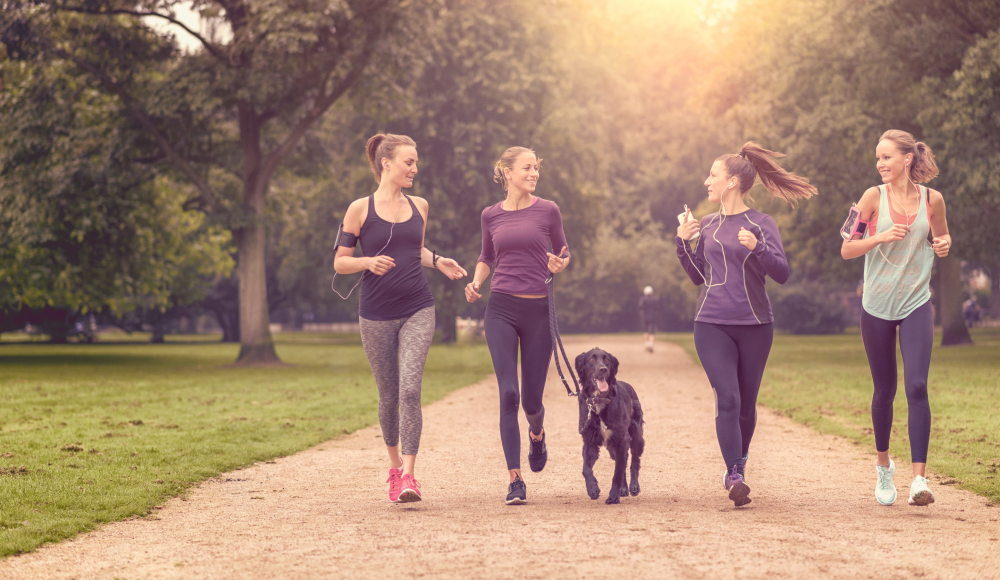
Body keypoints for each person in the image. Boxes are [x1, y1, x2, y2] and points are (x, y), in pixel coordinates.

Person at [675, 141, 817, 507]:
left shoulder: (761, 223)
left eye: (713, 174)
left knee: (747, 408)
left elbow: (782, 273)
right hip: (711, 323)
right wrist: (682, 243)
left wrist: (758, 247)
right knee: (728, 398)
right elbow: (698, 278)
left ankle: (738, 465)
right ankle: (734, 476)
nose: (707, 181)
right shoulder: (707, 224)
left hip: (755, 325)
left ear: (733, 182)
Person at [334, 133, 467, 503]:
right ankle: (394, 468)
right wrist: (367, 261)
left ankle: (410, 476)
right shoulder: (359, 209)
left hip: (417, 307)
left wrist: (438, 261)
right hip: (375, 314)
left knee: (410, 389)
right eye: (409, 162)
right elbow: (340, 262)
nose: (414, 168)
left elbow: (414, 249)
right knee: (388, 395)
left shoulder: (420, 206)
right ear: (386, 163)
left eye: (416, 162)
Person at [841, 129, 951, 507]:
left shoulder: (933, 200)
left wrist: (944, 244)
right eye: (878, 158)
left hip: (917, 301)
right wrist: (880, 236)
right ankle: (884, 465)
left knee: (917, 385)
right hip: (877, 305)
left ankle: (919, 480)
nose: (880, 164)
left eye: (886, 157)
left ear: (907, 159)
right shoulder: (872, 197)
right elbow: (846, 248)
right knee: (884, 389)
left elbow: (941, 241)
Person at [464, 146, 570, 505]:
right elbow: (486, 256)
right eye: (527, 168)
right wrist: (477, 282)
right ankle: (515, 479)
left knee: (532, 401)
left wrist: (560, 264)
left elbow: (564, 250)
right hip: (501, 310)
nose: (533, 173)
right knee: (508, 392)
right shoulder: (490, 215)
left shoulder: (548, 210)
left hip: (539, 312)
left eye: (536, 168)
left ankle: (537, 434)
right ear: (506, 172)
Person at [639, 286, 659, 353]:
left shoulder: (643, 299)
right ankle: (651, 345)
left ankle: (646, 345)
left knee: (645, 331)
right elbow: (657, 308)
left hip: (645, 317)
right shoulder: (655, 299)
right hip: (653, 317)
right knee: (652, 332)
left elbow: (640, 306)